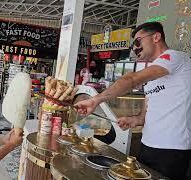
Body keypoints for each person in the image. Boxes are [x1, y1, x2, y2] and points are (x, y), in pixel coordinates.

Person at [75, 22, 191, 180]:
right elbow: (148, 107)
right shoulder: (156, 72)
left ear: (156, 37)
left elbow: (132, 79)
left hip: (173, 149)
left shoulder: (175, 57)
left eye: (138, 42)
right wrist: (135, 119)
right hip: (147, 144)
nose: (135, 48)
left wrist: (96, 100)